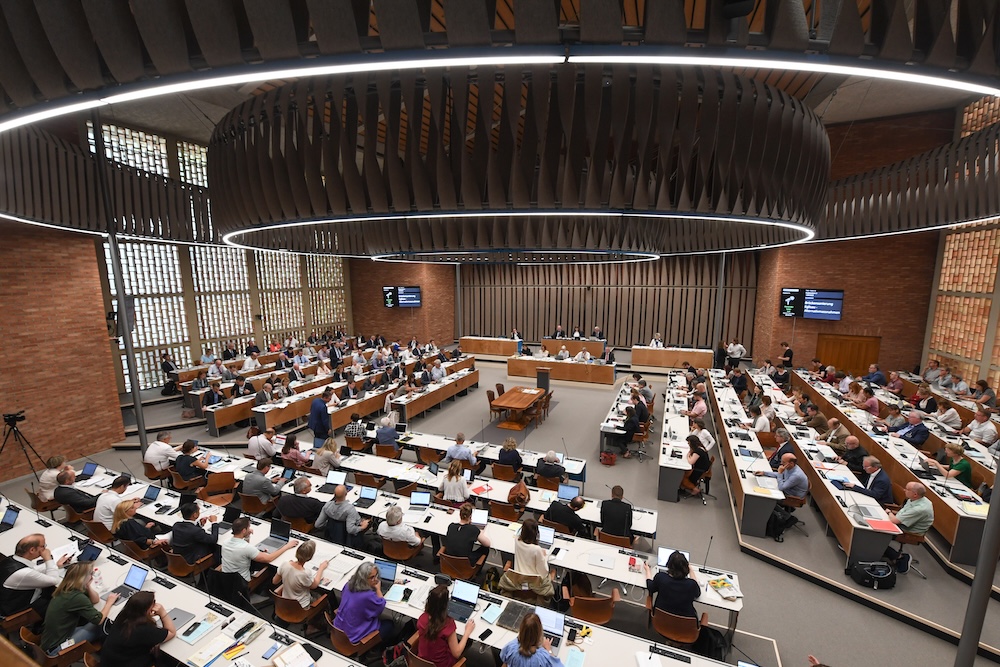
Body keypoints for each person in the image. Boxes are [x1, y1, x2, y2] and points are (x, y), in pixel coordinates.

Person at [40, 562, 116, 655]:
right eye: (90, 574)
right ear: (83, 578)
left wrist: (88, 586)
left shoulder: (66, 588)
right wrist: (109, 603)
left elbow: (95, 600)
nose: (92, 576)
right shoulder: (77, 597)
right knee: (103, 624)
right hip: (59, 647)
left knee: (96, 623)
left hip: (55, 638)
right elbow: (98, 619)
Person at [1, 534, 70, 618]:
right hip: (20, 609)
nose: (45, 549)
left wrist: (56, 565)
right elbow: (54, 580)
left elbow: (33, 570)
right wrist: (48, 559)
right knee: (67, 599)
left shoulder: (12, 559)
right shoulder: (23, 573)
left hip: (10, 601)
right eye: (43, 546)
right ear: (32, 550)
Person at [99, 592, 176, 667]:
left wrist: (147, 615)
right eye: (154, 603)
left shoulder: (123, 616)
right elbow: (171, 632)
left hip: (109, 661)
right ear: (147, 609)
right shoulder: (144, 629)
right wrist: (162, 613)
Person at [222, 517, 299, 589]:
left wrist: (247, 536)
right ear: (244, 530)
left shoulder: (225, 542)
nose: (250, 529)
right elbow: (269, 558)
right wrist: (286, 546)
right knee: (269, 568)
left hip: (225, 579)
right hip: (241, 583)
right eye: (248, 527)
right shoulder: (246, 548)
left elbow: (243, 549)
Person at [334, 562, 396, 645]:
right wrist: (378, 589)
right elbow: (380, 606)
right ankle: (375, 650)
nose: (376, 579)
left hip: (339, 629)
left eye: (376, 575)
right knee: (389, 625)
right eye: (372, 577)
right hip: (352, 637)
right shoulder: (368, 596)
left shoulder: (348, 585)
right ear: (363, 579)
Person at [416, 584, 474, 667]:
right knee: (467, 642)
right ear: (446, 605)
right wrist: (467, 632)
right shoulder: (448, 624)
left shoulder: (422, 618)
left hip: (421, 663)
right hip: (441, 665)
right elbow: (456, 653)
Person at [885, 482, 935, 570]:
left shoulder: (919, 509)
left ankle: (898, 557)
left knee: (878, 534)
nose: (904, 490)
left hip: (909, 533)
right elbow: (903, 513)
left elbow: (894, 521)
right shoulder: (915, 499)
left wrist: (889, 512)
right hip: (902, 523)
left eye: (907, 489)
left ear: (915, 494)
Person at [643, 550, 700, 618]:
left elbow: (650, 587)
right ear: (686, 567)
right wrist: (690, 569)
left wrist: (648, 570)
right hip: (684, 625)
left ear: (669, 565)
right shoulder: (691, 584)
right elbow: (697, 594)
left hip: (660, 620)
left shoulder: (661, 577)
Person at [273, 541, 328, 610]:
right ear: (310, 558)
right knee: (321, 596)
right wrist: (321, 568)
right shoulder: (305, 573)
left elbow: (274, 581)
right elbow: (314, 585)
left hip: (284, 603)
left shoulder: (285, 564)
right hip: (300, 607)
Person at [509, 519, 555, 597]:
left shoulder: (517, 540)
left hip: (518, 580)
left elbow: (517, 536)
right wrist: (543, 557)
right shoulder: (537, 550)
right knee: (553, 571)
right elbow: (543, 572)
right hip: (534, 584)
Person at [499, 613, 564, 667]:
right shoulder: (542, 657)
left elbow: (505, 661)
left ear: (521, 629)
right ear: (539, 632)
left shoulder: (510, 647)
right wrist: (549, 650)